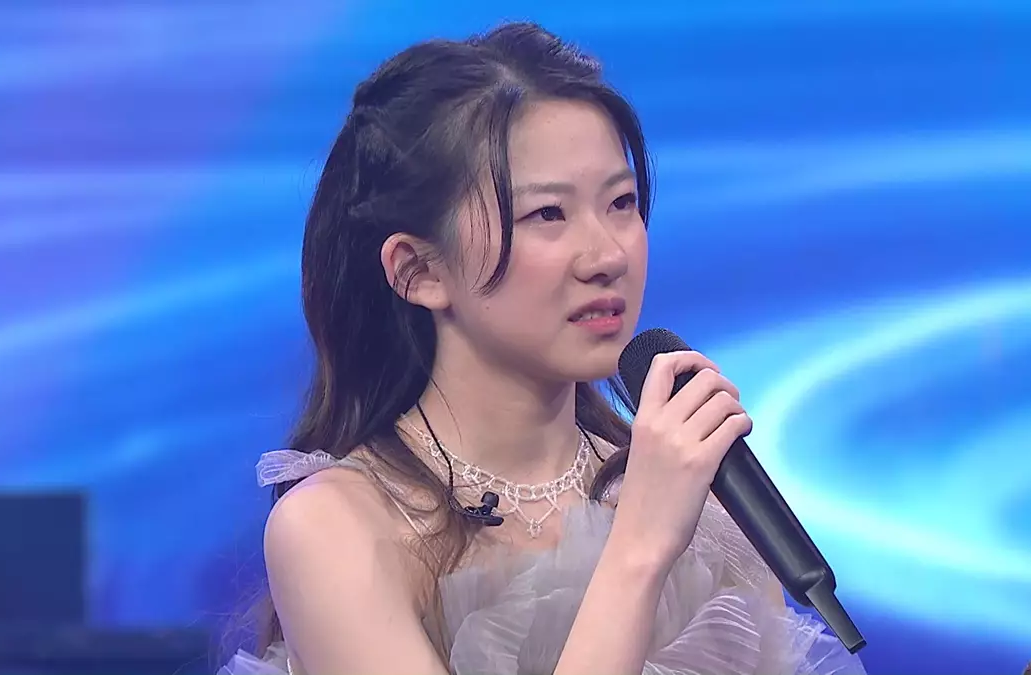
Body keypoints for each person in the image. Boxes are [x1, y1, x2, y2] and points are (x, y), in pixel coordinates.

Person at [219, 21, 866, 675]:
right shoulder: (336, 528)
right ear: (419, 270)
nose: (607, 255)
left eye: (621, 202)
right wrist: (638, 550)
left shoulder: (693, 496)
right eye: (548, 214)